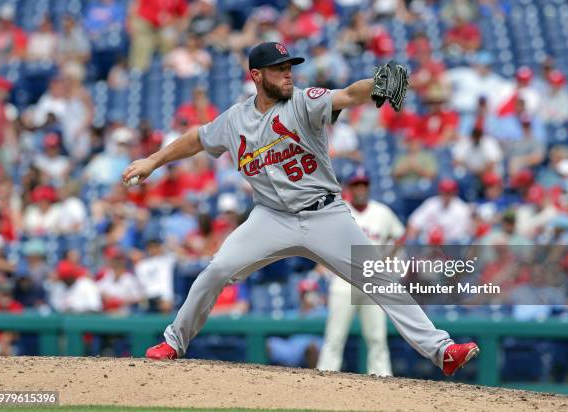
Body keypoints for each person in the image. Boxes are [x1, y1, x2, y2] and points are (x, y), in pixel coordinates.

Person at [123, 42, 478, 376]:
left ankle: (442, 351)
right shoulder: (234, 120)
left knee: (380, 279)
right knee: (215, 271)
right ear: (257, 76)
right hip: (270, 217)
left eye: (289, 67)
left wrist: (375, 85)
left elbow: (348, 95)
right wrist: (153, 161)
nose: (288, 74)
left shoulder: (304, 100)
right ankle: (173, 343)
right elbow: (195, 139)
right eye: (278, 69)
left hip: (325, 214)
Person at [317, 169, 404, 376]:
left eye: (363, 184)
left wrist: (388, 259)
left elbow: (400, 236)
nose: (360, 189)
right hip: (344, 279)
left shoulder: (382, 212)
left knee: (377, 337)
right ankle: (324, 378)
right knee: (335, 336)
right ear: (349, 188)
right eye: (356, 185)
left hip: (374, 279)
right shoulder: (339, 211)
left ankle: (383, 379)